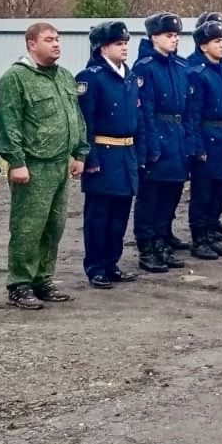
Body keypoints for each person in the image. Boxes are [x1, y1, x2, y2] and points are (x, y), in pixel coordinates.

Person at [0, 21, 89, 310]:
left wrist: (80, 152)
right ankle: (19, 283)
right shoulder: (16, 78)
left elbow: (76, 116)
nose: (56, 43)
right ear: (31, 44)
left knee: (54, 225)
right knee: (28, 226)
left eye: (57, 39)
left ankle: (43, 278)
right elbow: (9, 123)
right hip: (33, 165)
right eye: (49, 39)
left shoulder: (64, 76)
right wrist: (16, 161)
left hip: (60, 163)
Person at [76, 20, 141, 289]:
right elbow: (85, 121)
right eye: (118, 44)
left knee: (120, 215)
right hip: (103, 153)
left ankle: (112, 262)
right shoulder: (91, 77)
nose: (124, 48)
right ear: (102, 48)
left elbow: (137, 118)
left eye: (125, 43)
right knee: (98, 215)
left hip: (126, 153)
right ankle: (95, 267)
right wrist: (89, 157)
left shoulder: (130, 76)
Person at [133, 12, 195, 273]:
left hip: (177, 137)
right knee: (151, 197)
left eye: (176, 35)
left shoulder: (180, 66)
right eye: (169, 35)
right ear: (154, 37)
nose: (174, 39)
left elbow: (188, 109)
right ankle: (147, 247)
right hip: (158, 134)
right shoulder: (144, 67)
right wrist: (151, 146)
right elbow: (145, 112)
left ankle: (162, 240)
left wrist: (189, 142)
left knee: (171, 194)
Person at [186, 18, 222, 261]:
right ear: (203, 46)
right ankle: (199, 238)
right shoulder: (198, 74)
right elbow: (194, 114)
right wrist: (198, 146)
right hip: (209, 138)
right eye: (217, 41)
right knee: (203, 192)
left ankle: (210, 232)